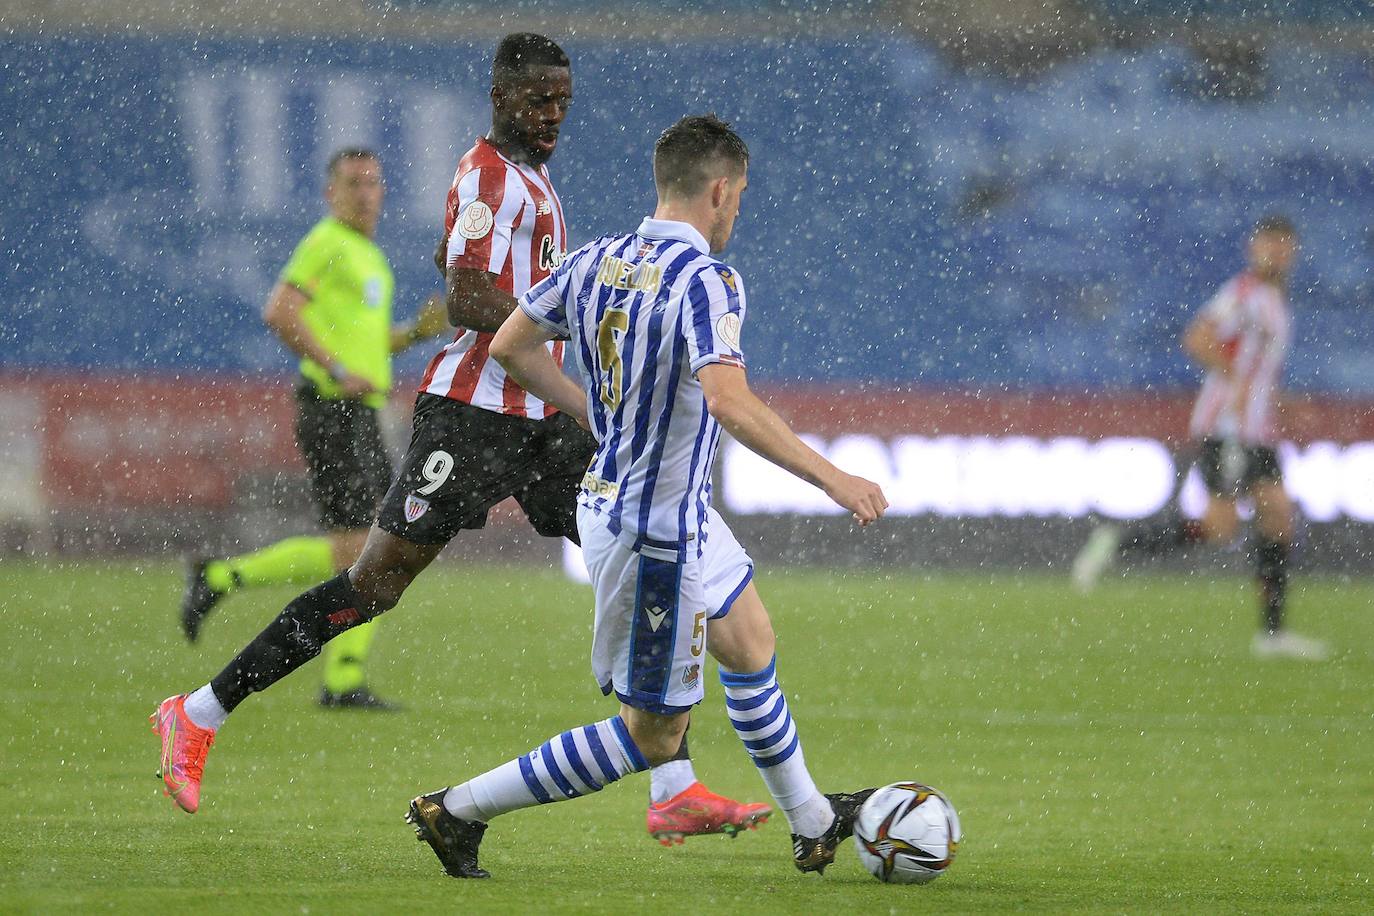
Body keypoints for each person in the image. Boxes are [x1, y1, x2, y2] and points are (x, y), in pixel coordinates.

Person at [152, 35, 767, 841]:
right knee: (372, 586)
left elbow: (462, 256)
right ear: (500, 97)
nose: (552, 116)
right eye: (538, 100)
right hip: (472, 417)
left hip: (541, 418)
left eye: (562, 102)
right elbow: (470, 293)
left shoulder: (532, 181)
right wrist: (566, 303)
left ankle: (673, 780)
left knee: (645, 548)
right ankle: (196, 713)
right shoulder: (485, 174)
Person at [403, 114, 891, 880]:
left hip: (654, 507)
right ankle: (455, 810)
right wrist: (834, 478)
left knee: (750, 638)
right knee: (653, 737)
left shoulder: (597, 259)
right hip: (652, 529)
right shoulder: (708, 281)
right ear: (720, 192)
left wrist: (590, 410)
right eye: (740, 198)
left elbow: (508, 345)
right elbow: (728, 401)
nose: (738, 213)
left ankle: (813, 823)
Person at [178, 147, 449, 710]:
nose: (365, 193)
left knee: (372, 546)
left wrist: (412, 336)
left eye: (374, 183)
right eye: (353, 183)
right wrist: (333, 369)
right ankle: (236, 588)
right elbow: (279, 310)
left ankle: (233, 586)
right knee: (365, 547)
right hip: (331, 408)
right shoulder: (327, 242)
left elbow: (365, 345)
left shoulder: (370, 258)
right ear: (330, 193)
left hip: (358, 412)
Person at [1072, 215, 1329, 661]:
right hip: (1228, 429)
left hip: (1258, 433)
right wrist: (1237, 382)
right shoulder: (1244, 294)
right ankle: (1117, 543)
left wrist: (1280, 402)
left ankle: (1271, 635)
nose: (1277, 253)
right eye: (1270, 244)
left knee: (1274, 516)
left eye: (1285, 246)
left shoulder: (1276, 301)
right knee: (1222, 526)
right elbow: (1197, 337)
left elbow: (1257, 371)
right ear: (1254, 248)